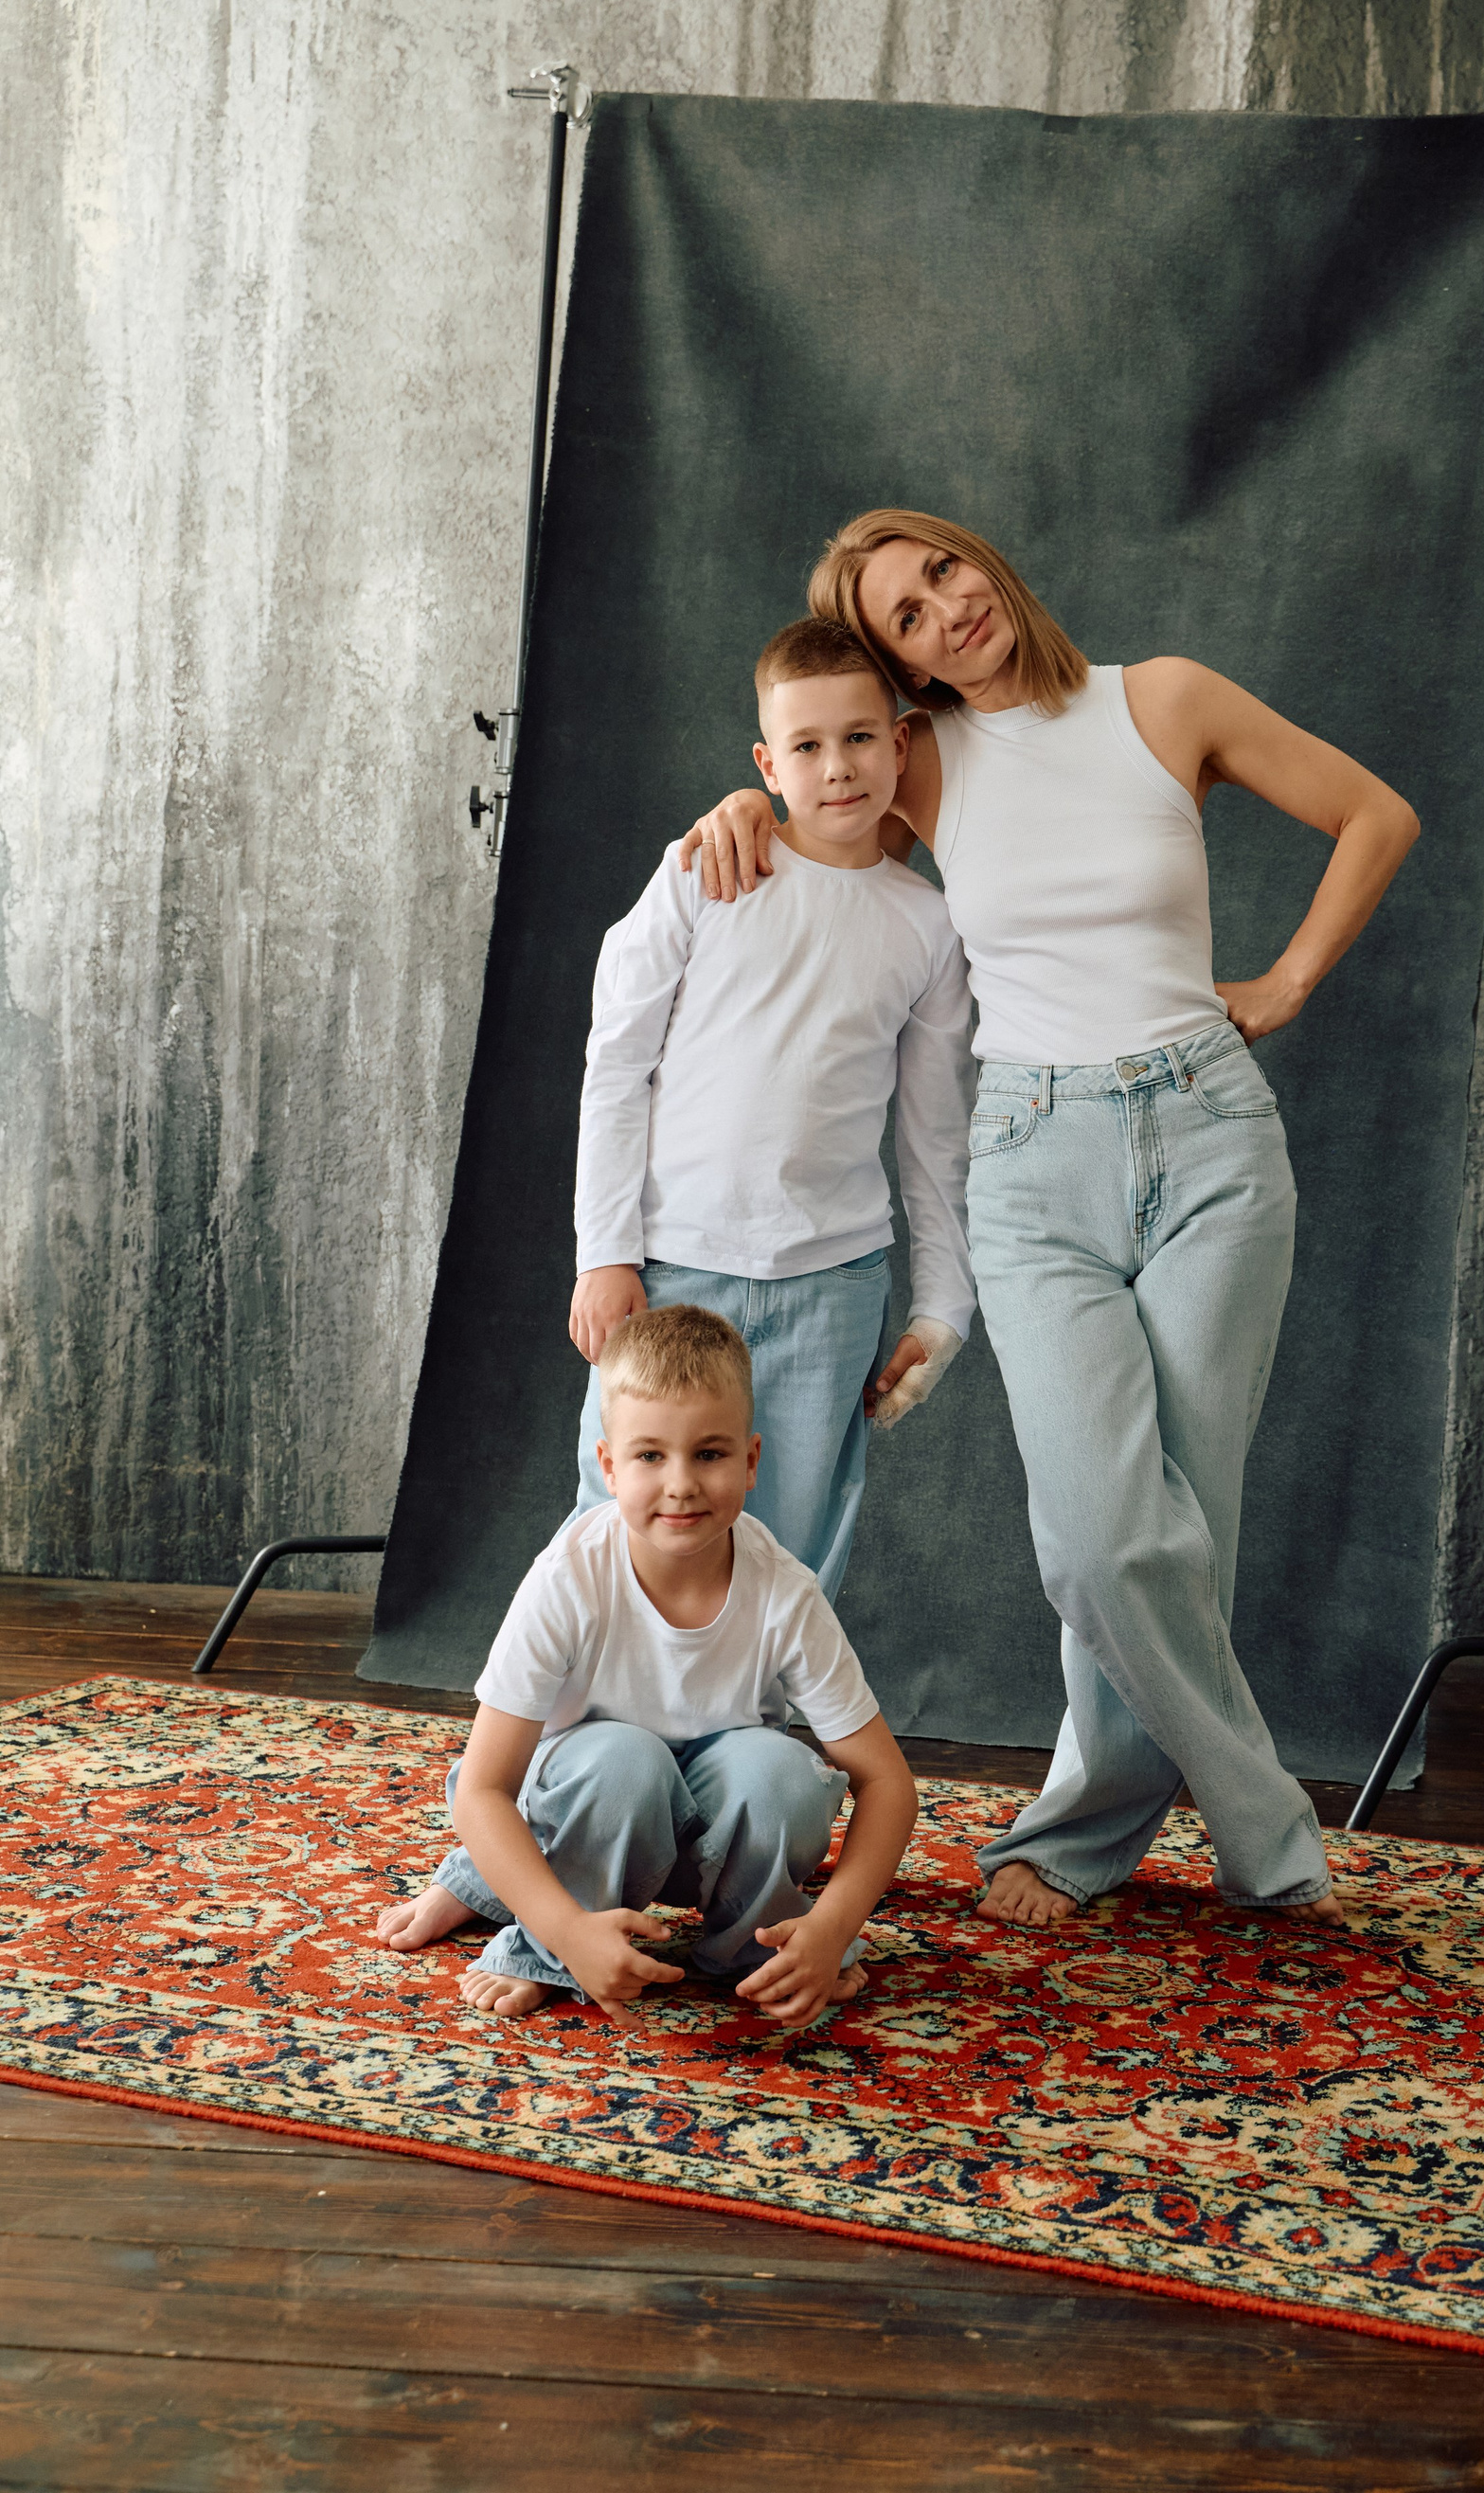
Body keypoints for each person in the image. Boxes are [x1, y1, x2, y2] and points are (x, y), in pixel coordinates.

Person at [682, 511, 1421, 1931]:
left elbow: (1375, 814)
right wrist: (738, 809)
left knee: (1179, 1526)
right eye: (906, 618)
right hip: (1031, 1158)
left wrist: (1285, 983)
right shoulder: (921, 761)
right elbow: (813, 786)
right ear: (902, 669)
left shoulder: (1167, 700)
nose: (946, 609)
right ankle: (1268, 1826)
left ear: (980, 559)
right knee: (1099, 1535)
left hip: (1211, 1141)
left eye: (942, 571)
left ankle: (1082, 1832)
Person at [568, 613, 976, 1603]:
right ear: (767, 761)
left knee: (792, 1554)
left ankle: (762, 1704)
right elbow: (616, 1063)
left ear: (900, 742)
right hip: (676, 1265)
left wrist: (942, 1304)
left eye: (860, 737)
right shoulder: (705, 872)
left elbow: (935, 1134)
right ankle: (596, 1703)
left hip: (832, 1284)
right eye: (807, 745)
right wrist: (605, 1252)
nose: (837, 767)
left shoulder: (928, 925)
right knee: (620, 1533)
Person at [374, 1303, 919, 2026]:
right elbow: (480, 1790)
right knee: (623, 1761)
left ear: (752, 1460)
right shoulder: (568, 1577)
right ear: (608, 1465)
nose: (681, 1483)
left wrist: (833, 1924)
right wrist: (568, 1932)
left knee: (781, 1774)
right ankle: (540, 1937)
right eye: (651, 1455)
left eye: (710, 1453)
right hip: (584, 1806)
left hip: (710, 1832)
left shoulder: (785, 1592)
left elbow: (888, 1783)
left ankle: (760, 1944)